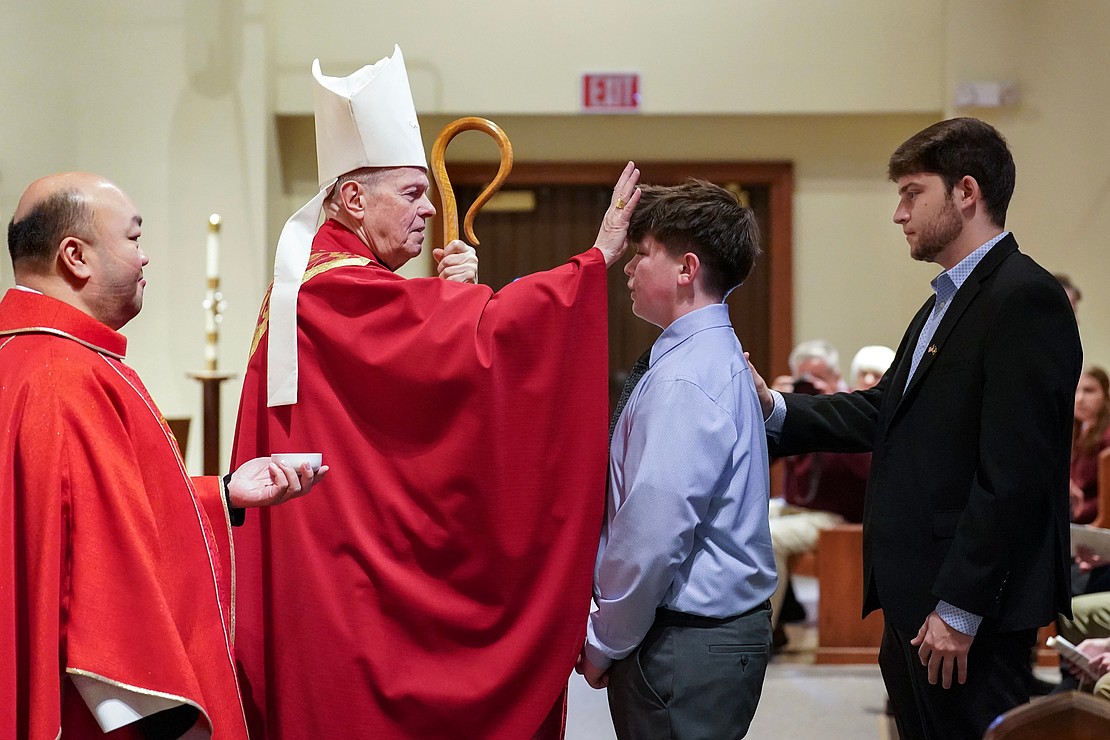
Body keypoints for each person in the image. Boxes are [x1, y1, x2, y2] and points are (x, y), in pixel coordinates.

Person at [231, 46, 641, 739]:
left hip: (335, 556)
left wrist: (453, 303)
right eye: (411, 194)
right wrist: (590, 265)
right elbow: (479, 345)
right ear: (354, 198)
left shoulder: (326, 281)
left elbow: (420, 372)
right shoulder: (335, 288)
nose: (427, 212)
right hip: (345, 578)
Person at [751, 117, 1081, 740]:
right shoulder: (944, 301)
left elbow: (1016, 476)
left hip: (963, 605)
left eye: (911, 193)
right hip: (915, 593)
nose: (898, 214)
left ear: (965, 192)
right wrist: (776, 409)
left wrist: (961, 608)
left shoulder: (1023, 298)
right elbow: (885, 411)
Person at [0, 172, 326, 738]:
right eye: (132, 238)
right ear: (75, 257)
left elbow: (91, 520)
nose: (145, 257)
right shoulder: (68, 378)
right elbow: (99, 574)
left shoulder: (26, 361)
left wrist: (220, 495)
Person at [575, 180, 774, 739]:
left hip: (687, 639)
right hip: (701, 635)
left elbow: (654, 529)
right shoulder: (705, 352)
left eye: (641, 255)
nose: (628, 269)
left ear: (686, 269)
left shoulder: (686, 374)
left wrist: (606, 637)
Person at [768, 344, 895, 636]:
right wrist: (772, 408)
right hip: (796, 505)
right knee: (746, 516)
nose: (810, 386)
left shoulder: (851, 407)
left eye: (818, 378)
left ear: (836, 374)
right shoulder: (797, 405)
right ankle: (788, 611)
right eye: (803, 379)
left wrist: (827, 414)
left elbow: (863, 473)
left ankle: (766, 634)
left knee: (771, 536)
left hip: (835, 513)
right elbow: (766, 456)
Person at [1071, 366, 1110, 525]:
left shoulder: (1107, 437)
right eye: (1076, 390)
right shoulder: (1073, 434)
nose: (1080, 399)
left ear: (1105, 396)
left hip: (1094, 524)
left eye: (1089, 391)